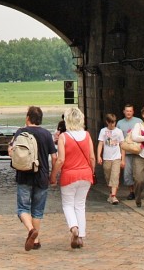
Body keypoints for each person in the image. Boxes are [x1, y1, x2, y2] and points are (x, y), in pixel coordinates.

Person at [10, 105, 57, 252]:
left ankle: (31, 230)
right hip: (42, 176)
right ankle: (35, 240)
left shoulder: (20, 132)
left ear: (27, 118)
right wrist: (53, 175)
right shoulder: (46, 134)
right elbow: (54, 157)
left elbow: (12, 152)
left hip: (24, 176)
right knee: (37, 211)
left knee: (22, 208)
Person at [54, 106, 94, 249]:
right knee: (80, 205)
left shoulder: (64, 137)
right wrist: (92, 171)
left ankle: (74, 227)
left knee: (68, 204)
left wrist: (53, 175)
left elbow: (60, 160)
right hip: (85, 174)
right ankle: (81, 236)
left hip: (69, 175)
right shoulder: (87, 135)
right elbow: (92, 157)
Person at [96, 113, 124, 204]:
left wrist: (123, 159)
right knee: (108, 176)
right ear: (107, 122)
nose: (112, 124)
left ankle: (113, 196)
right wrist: (98, 156)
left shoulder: (119, 131)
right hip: (107, 157)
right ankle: (111, 193)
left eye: (114, 122)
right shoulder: (103, 131)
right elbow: (100, 144)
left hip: (116, 157)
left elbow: (122, 145)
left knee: (115, 176)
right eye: (111, 123)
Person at [117, 104, 143, 200]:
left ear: (133, 112)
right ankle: (131, 191)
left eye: (130, 111)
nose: (128, 113)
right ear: (124, 111)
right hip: (126, 152)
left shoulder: (139, 122)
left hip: (137, 151)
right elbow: (118, 138)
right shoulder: (120, 123)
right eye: (127, 111)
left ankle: (138, 190)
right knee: (127, 173)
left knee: (138, 173)